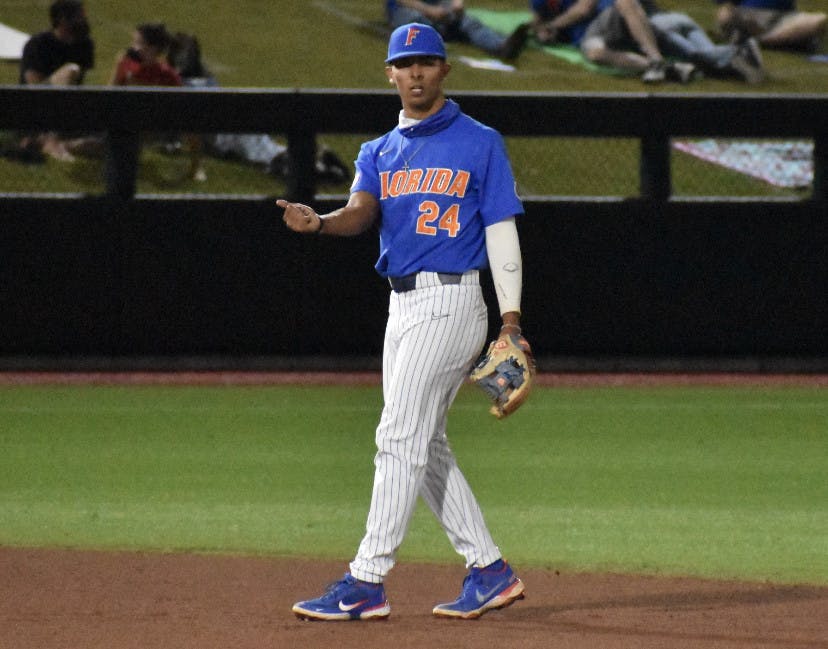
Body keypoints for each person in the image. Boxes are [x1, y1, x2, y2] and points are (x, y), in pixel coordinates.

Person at [278, 22, 528, 621]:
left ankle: (367, 579)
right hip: (402, 306)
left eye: (426, 61)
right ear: (390, 73)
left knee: (397, 436)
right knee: (425, 442)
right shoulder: (378, 151)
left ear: (444, 70)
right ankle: (490, 570)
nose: (416, 72)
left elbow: (501, 232)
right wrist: (321, 223)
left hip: (452, 300)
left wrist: (511, 321)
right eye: (405, 63)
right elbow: (361, 212)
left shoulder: (480, 142)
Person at [166, 32, 350, 182]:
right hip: (235, 117)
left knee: (270, 158)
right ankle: (322, 161)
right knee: (268, 149)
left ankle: (323, 166)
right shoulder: (204, 77)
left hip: (226, 131)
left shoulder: (184, 84)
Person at [16, 0, 94, 162]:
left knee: (108, 141)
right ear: (62, 19)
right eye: (79, 16)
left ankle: (54, 143)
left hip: (66, 107)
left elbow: (77, 87)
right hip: (37, 104)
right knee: (71, 70)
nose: (83, 21)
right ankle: (51, 139)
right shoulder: (38, 44)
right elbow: (34, 88)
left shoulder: (85, 44)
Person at [529, 0, 674, 83]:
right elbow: (537, 21)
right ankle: (660, 67)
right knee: (595, 53)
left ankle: (656, 58)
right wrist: (542, 32)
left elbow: (583, 9)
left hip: (611, 17)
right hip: (591, 33)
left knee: (625, 2)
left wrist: (553, 25)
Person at [644, 1, 765, 82]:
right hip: (678, 18)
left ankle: (738, 50)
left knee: (699, 57)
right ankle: (741, 52)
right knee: (709, 52)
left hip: (659, 26)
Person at [387, 0, 530, 61]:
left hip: (438, 7)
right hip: (407, 9)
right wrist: (429, 10)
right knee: (415, 21)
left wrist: (457, 4)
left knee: (469, 22)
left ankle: (501, 46)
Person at [714, 0, 826, 53]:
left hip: (783, 20)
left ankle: (759, 40)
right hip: (749, 17)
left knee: (818, 20)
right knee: (725, 15)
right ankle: (771, 40)